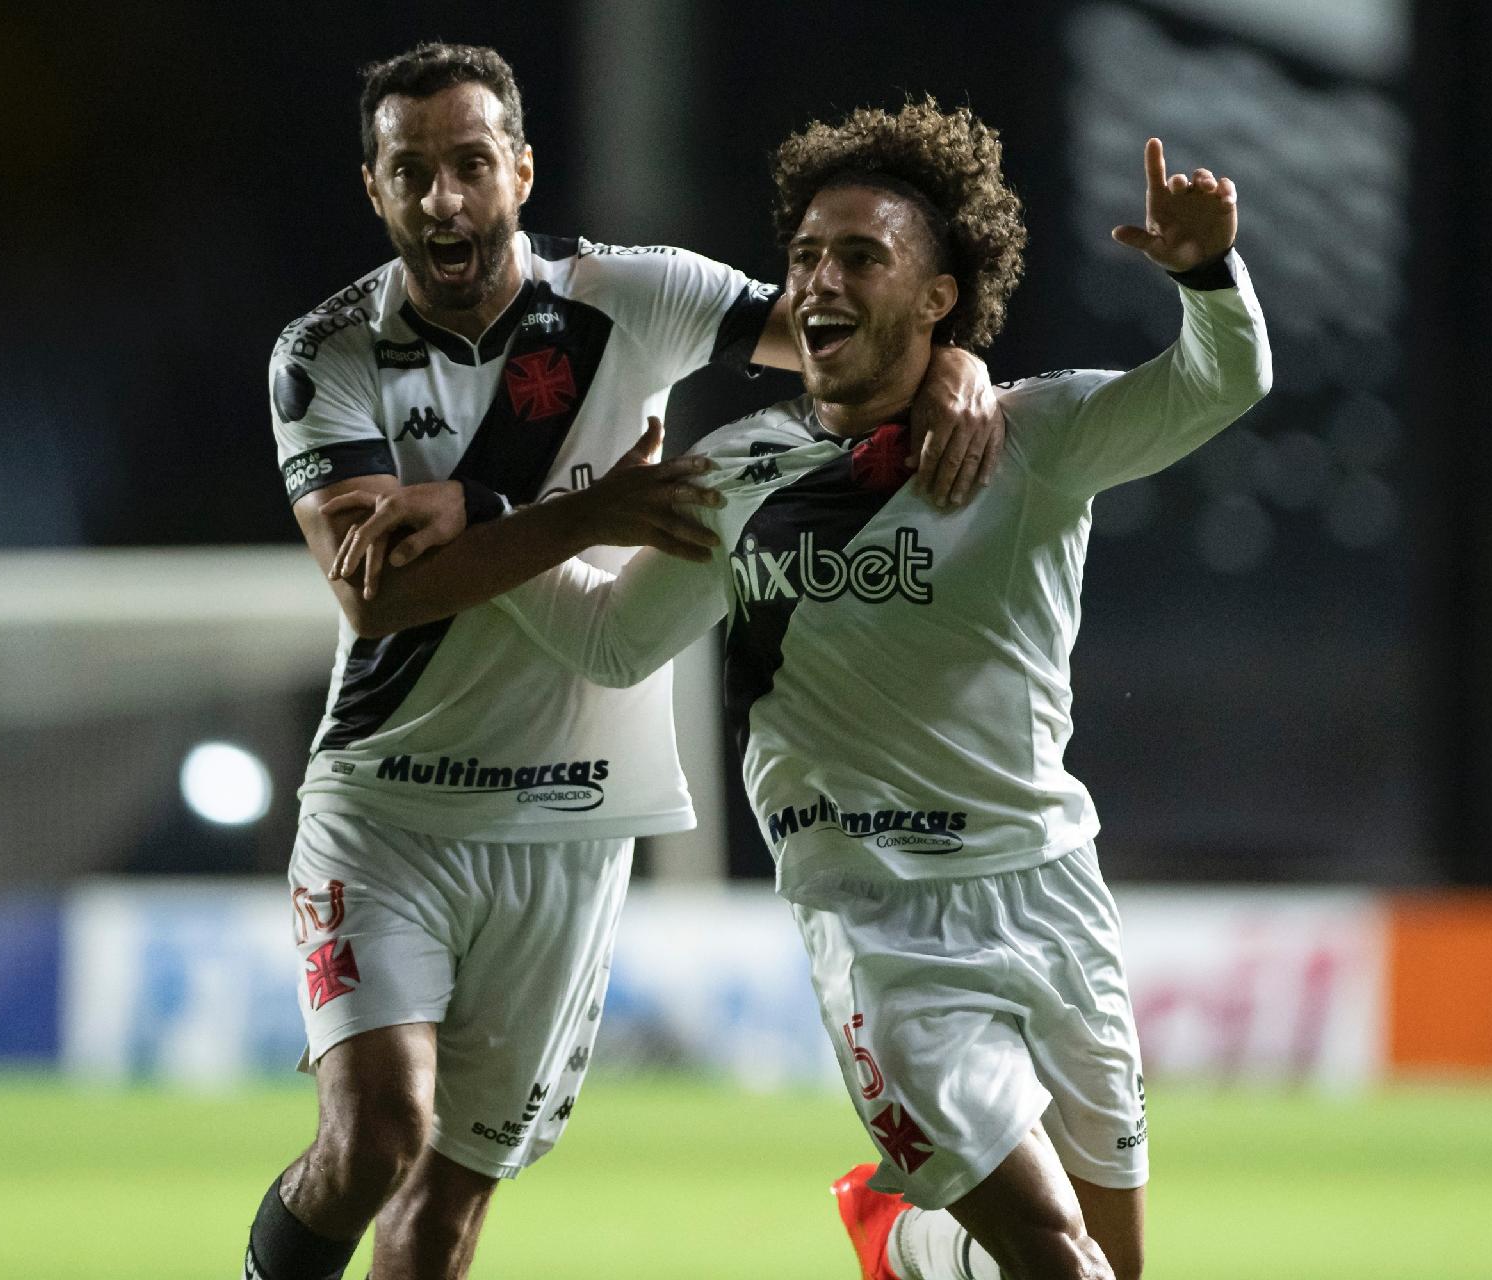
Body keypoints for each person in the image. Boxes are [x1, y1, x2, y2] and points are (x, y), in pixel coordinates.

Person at [444, 103, 1271, 1279]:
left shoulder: (1032, 439)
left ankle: (915, 1240)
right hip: (878, 917)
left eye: (861, 256)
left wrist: (1205, 274)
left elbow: (1219, 383)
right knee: (1060, 1261)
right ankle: (929, 1233)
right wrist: (497, 525)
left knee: (1115, 1265)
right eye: (805, 259)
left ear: (938, 297)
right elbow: (614, 643)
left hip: (1051, 891)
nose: (819, 281)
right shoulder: (737, 471)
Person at [247, 43, 1004, 1280]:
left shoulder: (632, 294)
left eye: (470, 164)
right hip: (386, 802)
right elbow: (376, 596)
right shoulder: (322, 353)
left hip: (568, 819)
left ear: (523, 172)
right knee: (372, 1138)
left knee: (443, 1211)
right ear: (373, 190)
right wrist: (583, 515)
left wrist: (959, 361)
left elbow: (847, 335)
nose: (444, 198)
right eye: (412, 172)